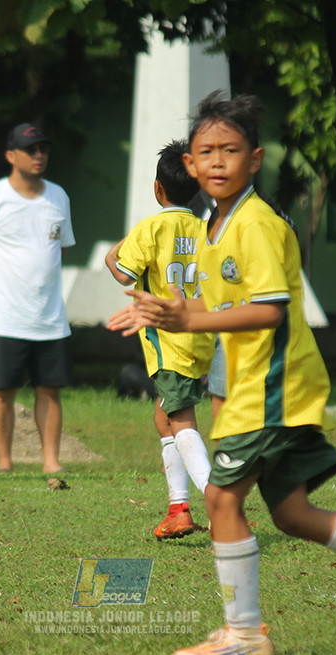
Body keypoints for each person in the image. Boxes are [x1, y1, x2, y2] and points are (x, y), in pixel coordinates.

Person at [109, 92, 336, 655]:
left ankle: (245, 634)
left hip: (274, 385)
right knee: (292, 513)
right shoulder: (212, 229)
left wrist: (187, 316)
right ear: (192, 166)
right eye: (206, 152)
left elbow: (269, 310)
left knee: (222, 500)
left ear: (255, 159)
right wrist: (164, 310)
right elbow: (215, 306)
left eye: (231, 149)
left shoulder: (255, 225)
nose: (218, 160)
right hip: (260, 385)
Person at [105, 140, 214, 539]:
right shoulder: (206, 230)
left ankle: (218, 503)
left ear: (157, 189)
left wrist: (112, 253)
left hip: (170, 343)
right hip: (202, 340)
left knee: (181, 421)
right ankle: (178, 508)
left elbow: (122, 271)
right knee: (162, 416)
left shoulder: (152, 227)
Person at [0, 123, 75, 475]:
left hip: (50, 316)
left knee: (49, 390)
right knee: (3, 390)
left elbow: (61, 250)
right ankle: (5, 462)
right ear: (11, 156)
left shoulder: (58, 196)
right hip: (4, 316)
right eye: (31, 149)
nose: (38, 155)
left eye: (43, 149)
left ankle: (51, 462)